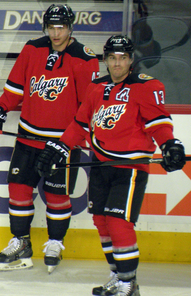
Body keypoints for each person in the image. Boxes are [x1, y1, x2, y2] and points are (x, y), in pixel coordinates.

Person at [35, 35, 186, 295]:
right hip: (101, 165)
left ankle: (129, 283)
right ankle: (117, 277)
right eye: (113, 58)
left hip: (129, 169)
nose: (118, 64)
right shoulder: (97, 86)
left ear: (131, 60)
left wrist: (169, 144)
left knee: (119, 223)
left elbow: (158, 122)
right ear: (105, 60)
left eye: (123, 58)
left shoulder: (145, 87)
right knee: (102, 223)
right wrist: (60, 146)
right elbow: (81, 123)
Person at [0, 4, 99, 273]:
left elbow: (87, 107)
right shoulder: (33, 49)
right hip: (28, 137)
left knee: (56, 195)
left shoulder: (84, 58)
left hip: (61, 143)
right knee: (18, 191)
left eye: (61, 27)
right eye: (51, 27)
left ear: (70, 27)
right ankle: (21, 242)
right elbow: (15, 88)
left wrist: (70, 140)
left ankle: (55, 242)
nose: (56, 33)